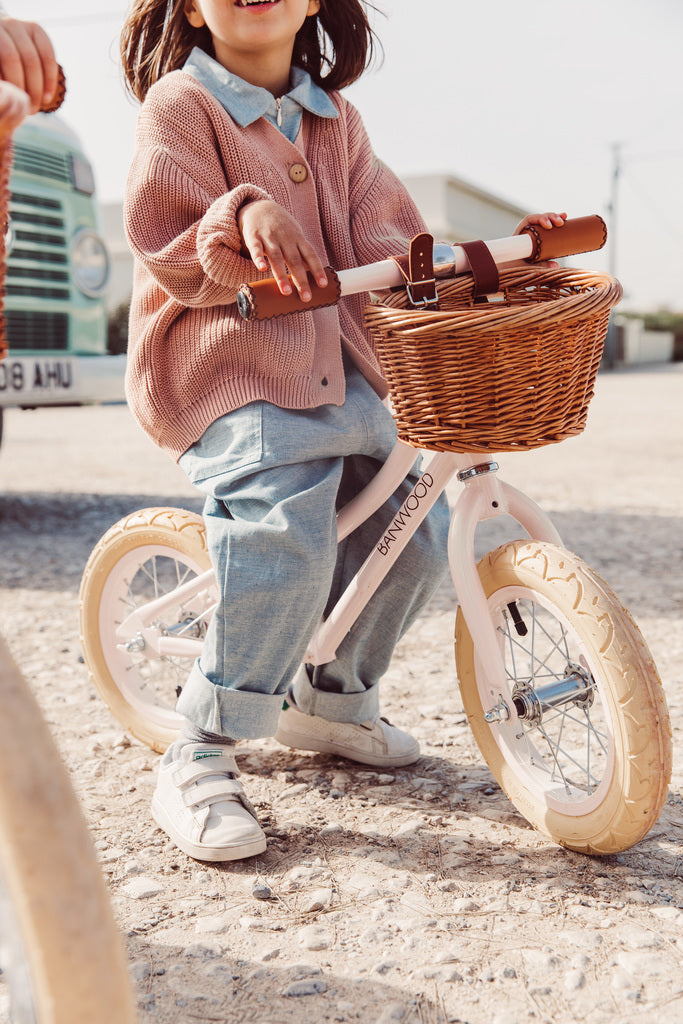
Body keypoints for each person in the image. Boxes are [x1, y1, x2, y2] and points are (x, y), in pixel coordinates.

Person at [120, 0, 566, 864]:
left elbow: (393, 241)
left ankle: (329, 703)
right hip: (235, 371)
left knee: (413, 539)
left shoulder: (337, 120)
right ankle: (200, 745)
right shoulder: (181, 104)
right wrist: (240, 215)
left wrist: (498, 256)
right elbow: (165, 237)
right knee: (285, 535)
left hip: (347, 377)